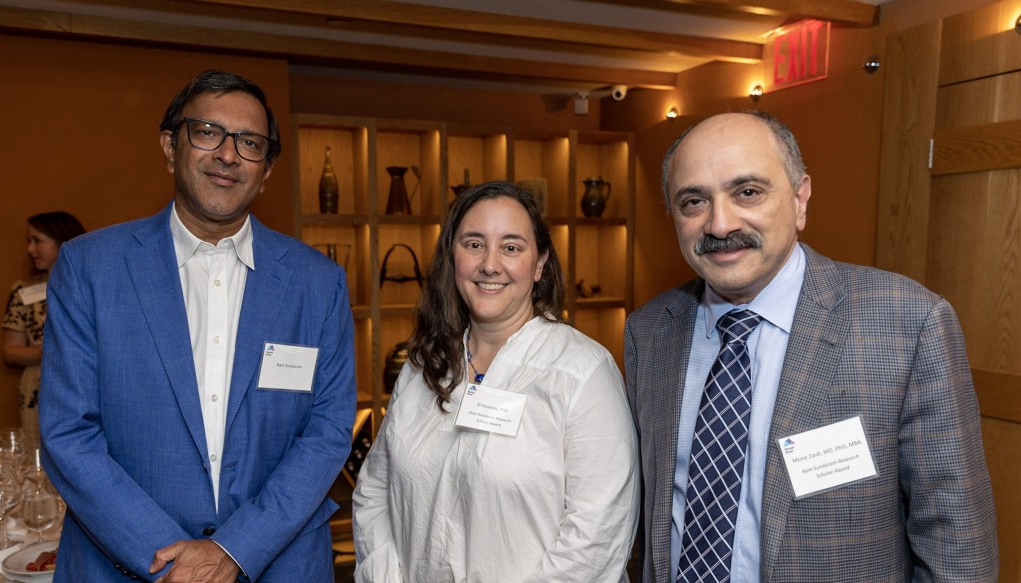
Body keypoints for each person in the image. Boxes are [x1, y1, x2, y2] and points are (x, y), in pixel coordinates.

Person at [625, 111, 998, 582]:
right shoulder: (649, 332)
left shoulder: (908, 324)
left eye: (748, 192)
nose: (719, 224)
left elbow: (957, 547)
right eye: (694, 201)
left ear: (800, 198)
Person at [39, 69, 357, 582]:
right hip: (122, 563)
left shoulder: (318, 283)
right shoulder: (89, 268)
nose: (229, 154)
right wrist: (169, 560)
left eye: (250, 142)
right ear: (171, 146)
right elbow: (68, 434)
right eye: (208, 132)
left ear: (267, 169)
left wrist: (233, 550)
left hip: (277, 563)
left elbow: (327, 432)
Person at [352, 181, 640, 582]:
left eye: (511, 247)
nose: (490, 264)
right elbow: (374, 492)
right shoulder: (422, 367)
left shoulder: (583, 372)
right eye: (474, 244)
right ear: (452, 256)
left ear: (539, 264)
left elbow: (596, 536)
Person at [2, 211, 85, 441]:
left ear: (62, 240)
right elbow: (10, 351)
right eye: (29, 241)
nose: (30, 249)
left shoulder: (89, 284)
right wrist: (49, 350)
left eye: (37, 241)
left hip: (82, 381)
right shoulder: (24, 290)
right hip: (38, 386)